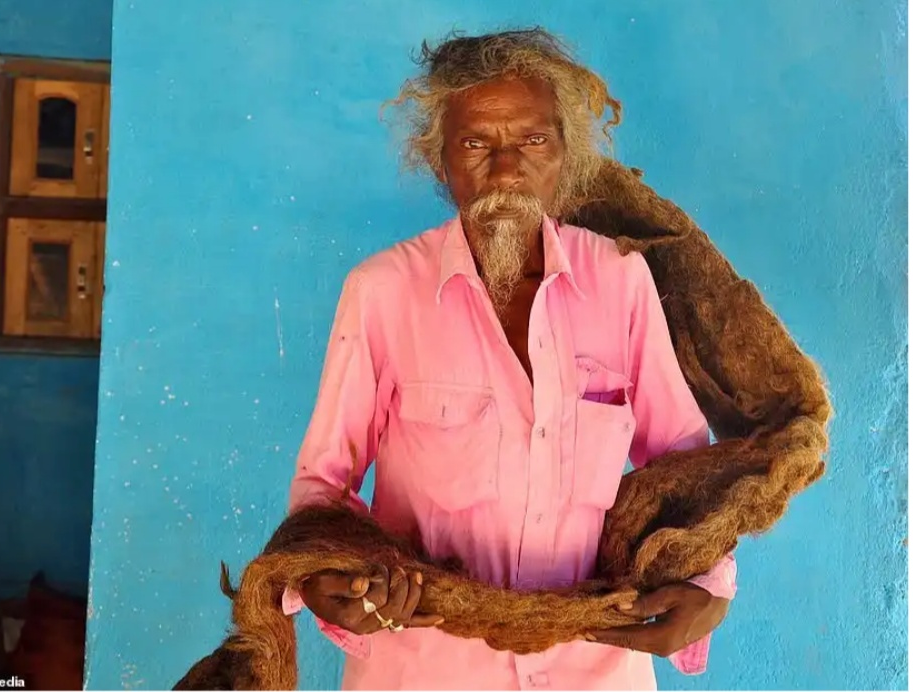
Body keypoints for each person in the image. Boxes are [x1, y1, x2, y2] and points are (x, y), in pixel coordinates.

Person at [282, 28, 736, 690]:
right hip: (425, 668)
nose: (505, 170)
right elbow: (322, 486)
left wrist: (710, 588)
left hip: (594, 665)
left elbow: (689, 470)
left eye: (532, 142)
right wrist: (330, 578)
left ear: (567, 156)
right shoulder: (382, 291)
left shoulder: (621, 281)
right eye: (476, 144)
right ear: (439, 161)